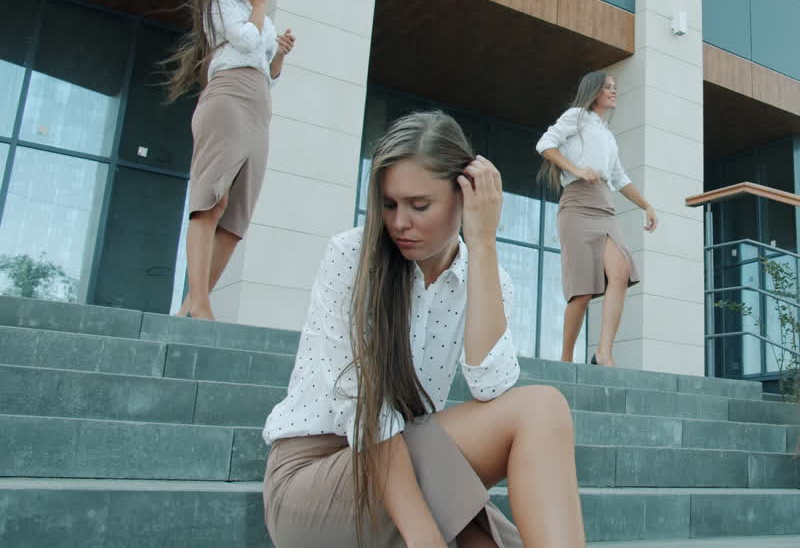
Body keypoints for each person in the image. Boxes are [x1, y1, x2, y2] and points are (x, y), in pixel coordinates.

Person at [261, 111, 585, 548]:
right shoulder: (351, 257)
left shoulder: (488, 278)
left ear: (464, 197)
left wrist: (484, 242)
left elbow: (490, 385)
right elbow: (365, 410)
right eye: (391, 204)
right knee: (540, 407)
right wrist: (424, 535)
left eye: (419, 205)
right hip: (319, 482)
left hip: (414, 465)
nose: (399, 223)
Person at [166, 0, 295, 320]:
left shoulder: (260, 14)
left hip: (258, 106)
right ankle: (201, 304)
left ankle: (191, 305)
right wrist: (258, 7)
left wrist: (281, 55)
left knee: (236, 215)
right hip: (227, 97)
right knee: (211, 201)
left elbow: (268, 71)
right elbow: (243, 41)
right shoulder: (220, 3)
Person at [535, 71, 656, 367]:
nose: (614, 92)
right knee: (583, 291)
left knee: (621, 271)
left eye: (615, 88)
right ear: (594, 91)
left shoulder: (608, 135)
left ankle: (604, 352)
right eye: (608, 88)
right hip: (577, 206)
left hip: (605, 206)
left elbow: (619, 177)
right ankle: (565, 360)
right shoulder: (577, 116)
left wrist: (647, 206)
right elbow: (544, 144)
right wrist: (575, 169)